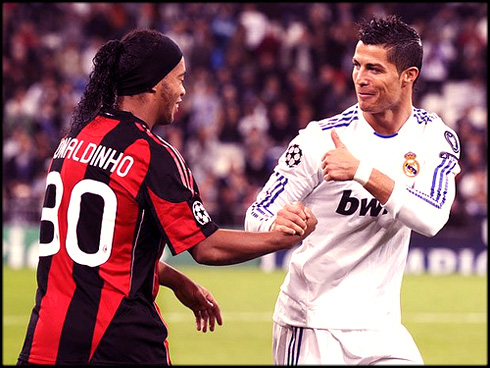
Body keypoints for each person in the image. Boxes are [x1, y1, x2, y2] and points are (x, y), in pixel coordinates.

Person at [17, 29, 317, 366]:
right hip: (119, 338)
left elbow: (104, 250)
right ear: (156, 84)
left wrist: (176, 280)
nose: (184, 90)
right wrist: (280, 238)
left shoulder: (73, 141)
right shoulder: (152, 155)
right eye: (180, 79)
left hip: (46, 337)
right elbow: (207, 247)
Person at [245, 15, 461, 365]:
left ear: (409, 77)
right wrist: (277, 223)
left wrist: (361, 171)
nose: (361, 78)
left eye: (375, 69)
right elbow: (257, 215)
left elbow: (431, 218)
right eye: (357, 66)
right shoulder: (319, 140)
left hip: (382, 331)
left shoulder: (434, 138)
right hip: (313, 324)